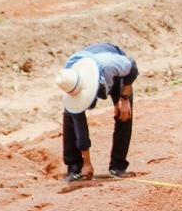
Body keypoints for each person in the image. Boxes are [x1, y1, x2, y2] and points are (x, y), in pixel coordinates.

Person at [55, 42, 138, 182]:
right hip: (84, 75)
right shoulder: (68, 79)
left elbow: (132, 67)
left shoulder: (110, 65)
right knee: (70, 115)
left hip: (116, 74)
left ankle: (118, 167)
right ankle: (74, 168)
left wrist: (124, 99)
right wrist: (87, 163)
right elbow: (81, 129)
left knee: (125, 114)